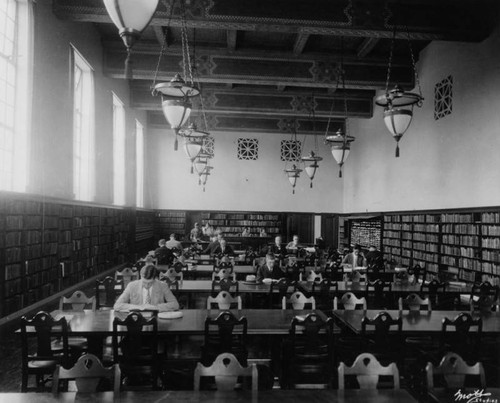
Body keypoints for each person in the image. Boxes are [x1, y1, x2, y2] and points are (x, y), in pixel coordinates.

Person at [114, 264, 179, 312]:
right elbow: (117, 305)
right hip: (136, 320)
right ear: (140, 276)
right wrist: (138, 307)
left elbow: (175, 305)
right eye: (144, 282)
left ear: (155, 278)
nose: (147, 285)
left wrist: (155, 307)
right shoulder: (131, 285)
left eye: (150, 283)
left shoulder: (163, 286)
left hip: (156, 319)